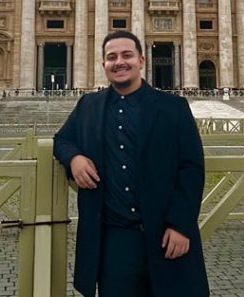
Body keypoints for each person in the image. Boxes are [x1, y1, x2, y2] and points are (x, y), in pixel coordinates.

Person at [53, 31, 208, 297]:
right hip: (115, 238)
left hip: (165, 232)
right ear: (104, 65)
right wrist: (74, 158)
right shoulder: (89, 106)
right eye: (111, 57)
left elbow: (191, 168)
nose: (119, 62)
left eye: (127, 55)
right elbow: (62, 139)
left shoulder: (174, 107)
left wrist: (181, 225)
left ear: (141, 60)